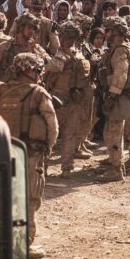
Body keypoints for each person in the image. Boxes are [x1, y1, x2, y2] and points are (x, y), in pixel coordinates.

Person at [0, 52, 58, 258]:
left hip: (6, 153)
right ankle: (23, 245)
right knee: (30, 200)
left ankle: (5, 242)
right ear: (27, 70)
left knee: (8, 196)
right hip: (32, 154)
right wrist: (49, 147)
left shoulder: (2, 90)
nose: (38, 73)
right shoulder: (39, 93)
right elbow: (52, 123)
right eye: (35, 69)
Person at [97, 16, 130, 181]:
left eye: (109, 30)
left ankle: (116, 168)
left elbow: (120, 74)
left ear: (116, 31)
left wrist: (111, 96)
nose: (106, 33)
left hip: (122, 94)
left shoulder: (120, 50)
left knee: (114, 130)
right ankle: (128, 158)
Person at [42, 22, 91, 178]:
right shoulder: (80, 54)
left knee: (51, 134)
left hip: (59, 99)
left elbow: (47, 72)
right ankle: (66, 167)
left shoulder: (60, 57)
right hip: (75, 99)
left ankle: (46, 166)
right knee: (69, 134)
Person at [0, 13, 50, 81]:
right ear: (21, 28)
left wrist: (34, 52)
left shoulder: (37, 48)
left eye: (34, 29)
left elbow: (49, 64)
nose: (32, 31)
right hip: (8, 87)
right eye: (29, 28)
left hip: (29, 88)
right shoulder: (4, 47)